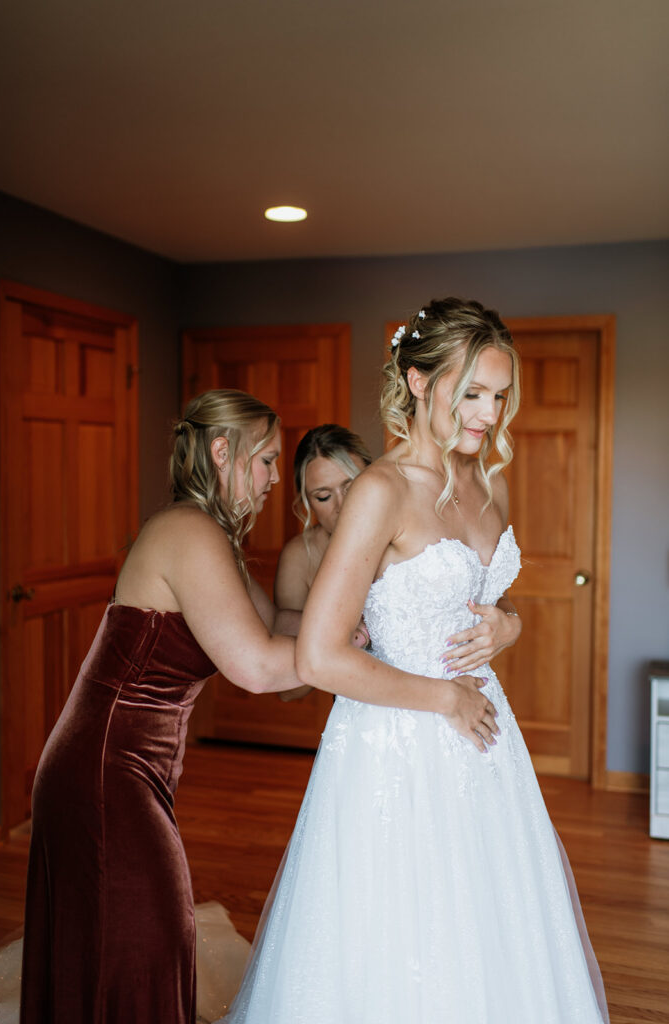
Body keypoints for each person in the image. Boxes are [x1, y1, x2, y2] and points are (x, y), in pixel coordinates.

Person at [18, 388, 485, 1024]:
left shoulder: (211, 535)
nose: (271, 479)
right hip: (104, 766)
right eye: (265, 461)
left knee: (122, 936)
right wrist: (338, 649)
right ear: (222, 452)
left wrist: (351, 619)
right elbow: (259, 667)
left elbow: (276, 625)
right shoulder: (187, 531)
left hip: (128, 764)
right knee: (150, 933)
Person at [222, 301, 609, 1023]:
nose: (489, 414)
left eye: (500, 396)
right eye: (473, 393)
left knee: (491, 930)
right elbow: (319, 655)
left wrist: (509, 626)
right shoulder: (381, 491)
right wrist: (445, 698)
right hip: (395, 750)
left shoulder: (486, 484)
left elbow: (487, 605)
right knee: (402, 936)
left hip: (486, 747)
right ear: (418, 381)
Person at [274, 424, 372, 699]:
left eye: (352, 486)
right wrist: (345, 636)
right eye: (324, 496)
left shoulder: (408, 533)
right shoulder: (300, 558)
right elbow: (289, 690)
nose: (342, 506)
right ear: (307, 502)